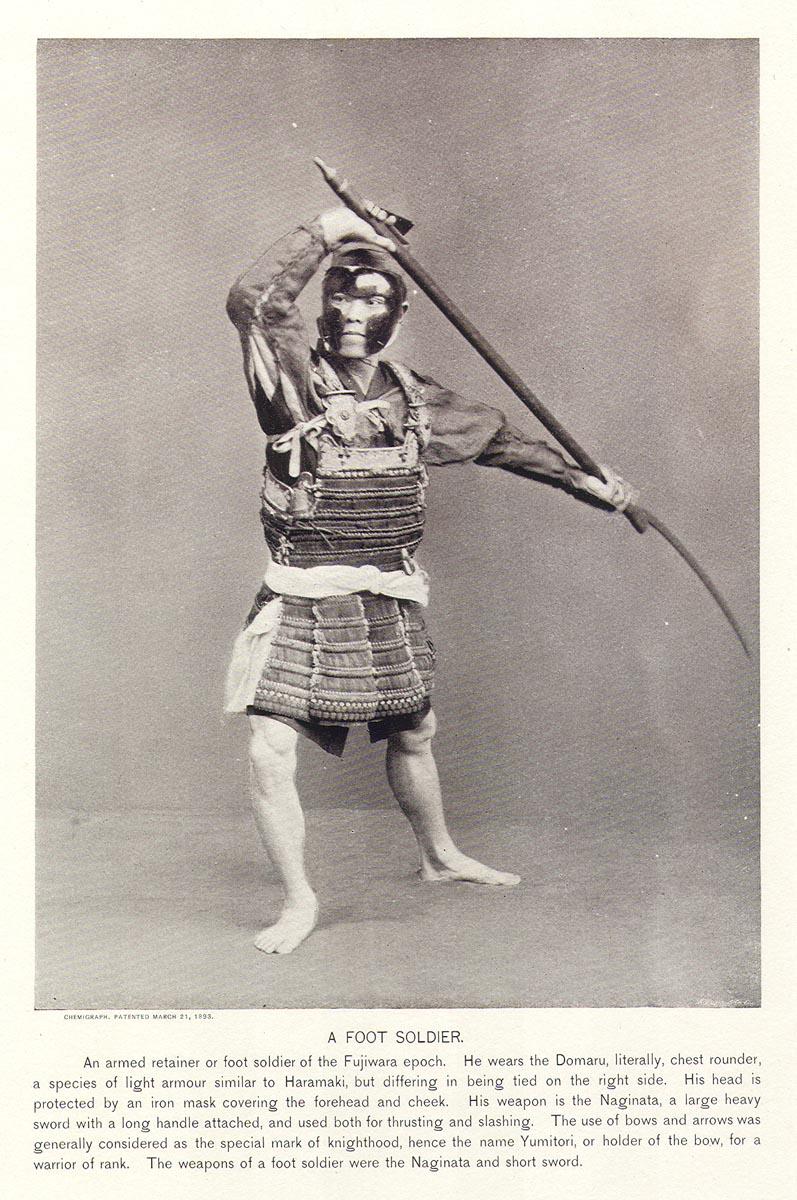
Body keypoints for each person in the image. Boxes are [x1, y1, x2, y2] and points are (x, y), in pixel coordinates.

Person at [225, 204, 635, 954]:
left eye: (373, 299)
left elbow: (501, 440)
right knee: (268, 747)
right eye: (341, 295)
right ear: (322, 300)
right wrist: (327, 228)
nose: (354, 313)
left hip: (387, 591)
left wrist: (584, 482)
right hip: (304, 594)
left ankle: (439, 855)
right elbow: (254, 301)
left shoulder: (415, 399)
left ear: (400, 311)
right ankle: (298, 900)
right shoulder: (292, 382)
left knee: (415, 730)